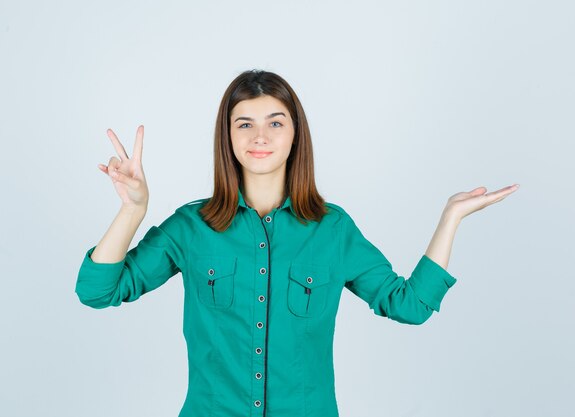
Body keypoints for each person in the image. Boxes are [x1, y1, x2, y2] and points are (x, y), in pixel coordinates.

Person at [75, 69, 519, 417]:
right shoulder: (192, 227)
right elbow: (97, 291)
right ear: (227, 137)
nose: (260, 136)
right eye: (244, 123)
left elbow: (409, 305)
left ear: (295, 134)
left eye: (275, 122)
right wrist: (133, 210)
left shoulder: (332, 229)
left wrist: (450, 218)